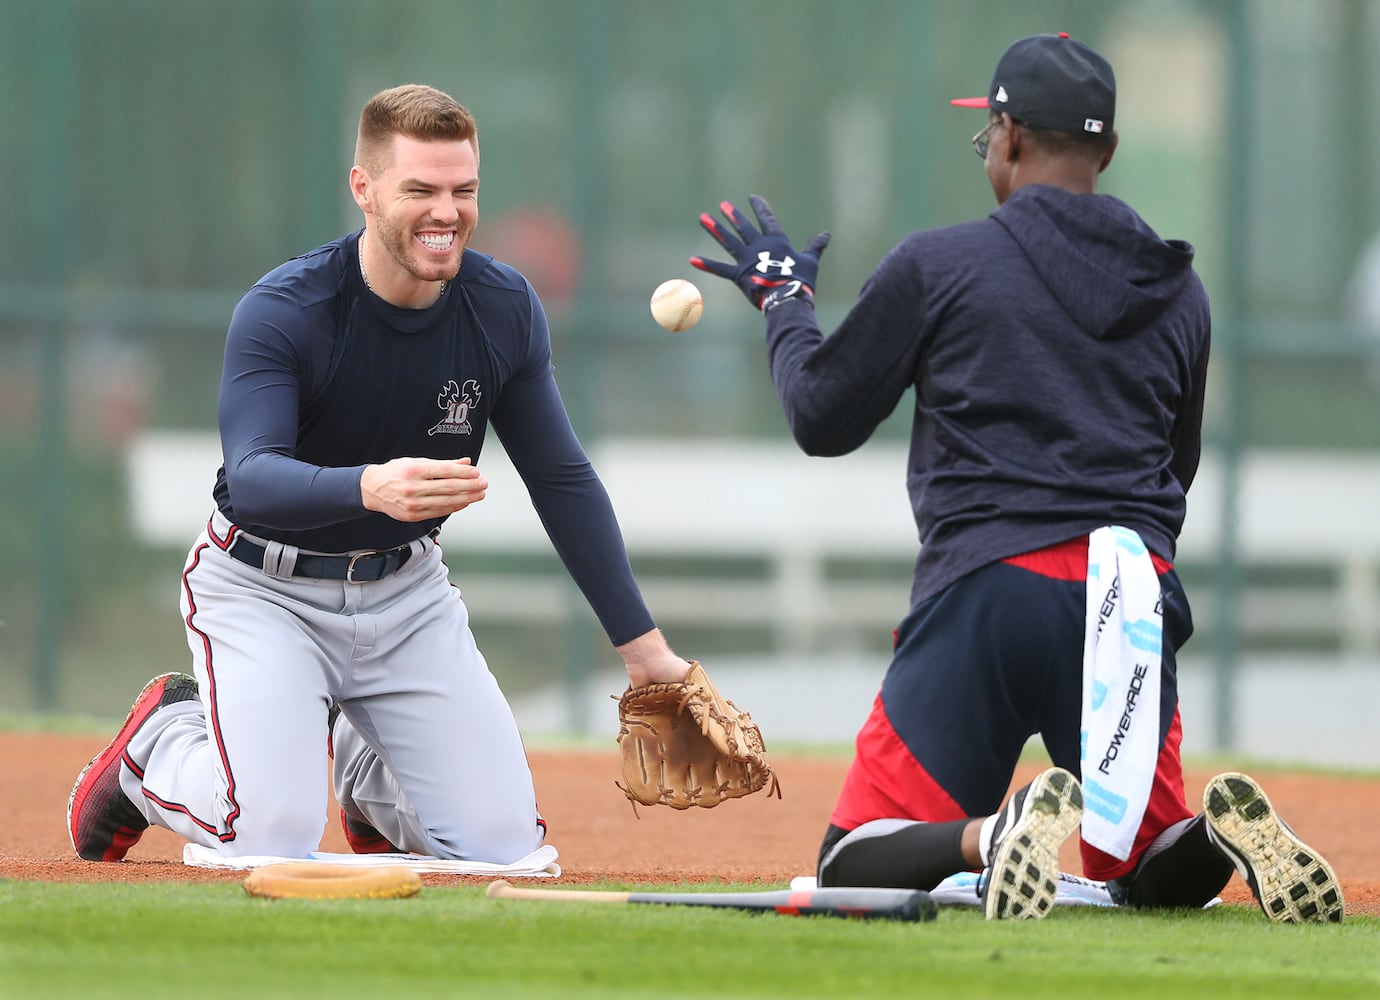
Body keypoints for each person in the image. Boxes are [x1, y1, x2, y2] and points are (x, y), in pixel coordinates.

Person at [692, 33, 1345, 922]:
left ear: (1006, 136)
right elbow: (1176, 467)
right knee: (1140, 868)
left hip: (992, 589)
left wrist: (785, 303)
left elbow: (821, 416)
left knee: (848, 862)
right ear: (1106, 151)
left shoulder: (942, 264)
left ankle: (992, 837)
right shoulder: (1179, 291)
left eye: (987, 135)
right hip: (1130, 587)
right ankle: (1215, 838)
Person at [67, 83, 694, 865]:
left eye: (463, 190)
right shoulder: (289, 309)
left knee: (504, 851)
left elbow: (561, 478)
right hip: (264, 590)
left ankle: (368, 772)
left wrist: (644, 651)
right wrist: (370, 486)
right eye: (420, 190)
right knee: (268, 839)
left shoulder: (501, 308)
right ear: (363, 190)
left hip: (406, 596)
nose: (447, 211)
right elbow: (253, 477)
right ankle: (158, 745)